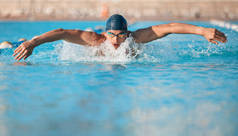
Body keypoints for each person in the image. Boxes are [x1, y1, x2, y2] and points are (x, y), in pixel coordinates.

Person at [11, 14, 227, 61]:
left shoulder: (137, 37)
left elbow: (168, 27)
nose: (115, 40)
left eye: (121, 35)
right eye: (112, 35)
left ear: (127, 33)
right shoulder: (94, 39)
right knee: (11, 45)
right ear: (105, 33)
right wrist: (32, 43)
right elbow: (62, 32)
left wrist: (203, 30)